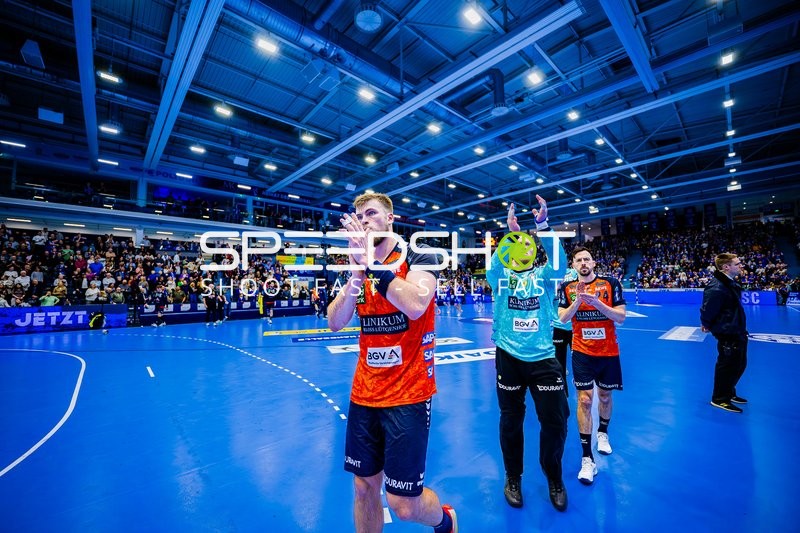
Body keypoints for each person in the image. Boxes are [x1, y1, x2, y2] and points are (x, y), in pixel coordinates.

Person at [327, 192, 457, 533]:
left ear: (390, 218)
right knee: (363, 486)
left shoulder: (420, 255)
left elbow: (415, 304)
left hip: (410, 394)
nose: (365, 220)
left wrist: (370, 264)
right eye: (359, 216)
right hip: (365, 393)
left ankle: (445, 520)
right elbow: (334, 321)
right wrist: (356, 274)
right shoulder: (359, 267)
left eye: (372, 213)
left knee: (403, 505)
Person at [486, 198, 569, 512]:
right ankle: (512, 477)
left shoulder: (546, 277)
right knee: (511, 421)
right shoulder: (502, 278)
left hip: (544, 359)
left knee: (556, 421)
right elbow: (494, 265)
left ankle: (554, 477)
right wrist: (511, 233)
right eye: (516, 247)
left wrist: (543, 227)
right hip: (508, 356)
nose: (522, 249)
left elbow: (560, 264)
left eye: (528, 246)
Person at [558, 247, 626, 485]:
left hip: (608, 352)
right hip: (581, 352)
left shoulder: (610, 283)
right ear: (574, 265)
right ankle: (587, 459)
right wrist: (577, 301)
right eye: (579, 260)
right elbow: (563, 318)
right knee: (585, 400)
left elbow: (620, 317)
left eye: (587, 259)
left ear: (594, 262)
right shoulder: (567, 288)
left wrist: (597, 303)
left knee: (605, 397)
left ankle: (603, 433)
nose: (583, 263)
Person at [700, 253, 749, 413]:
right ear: (726, 267)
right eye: (737, 263)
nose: (740, 265)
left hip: (737, 329)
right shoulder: (717, 287)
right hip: (728, 332)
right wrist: (706, 324)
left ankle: (729, 392)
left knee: (739, 364)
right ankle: (720, 398)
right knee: (727, 365)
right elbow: (708, 309)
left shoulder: (728, 283)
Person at [552, 268, 578, 391]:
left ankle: (582, 388)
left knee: (579, 360)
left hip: (575, 326)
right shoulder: (547, 274)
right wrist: (555, 290)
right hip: (558, 326)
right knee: (559, 362)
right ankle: (562, 391)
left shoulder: (573, 272)